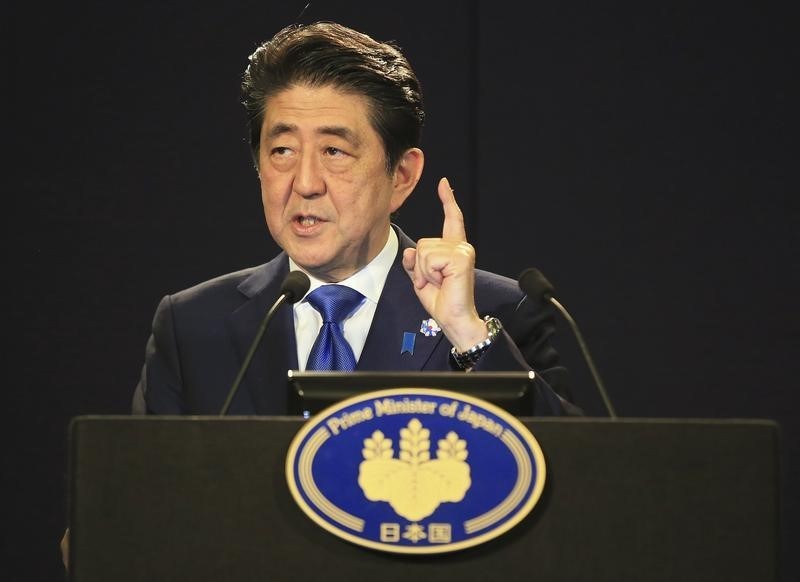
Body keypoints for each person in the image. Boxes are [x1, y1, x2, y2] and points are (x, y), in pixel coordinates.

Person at [130, 21, 577, 417]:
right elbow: (139, 498)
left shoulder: (497, 311)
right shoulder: (192, 326)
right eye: (282, 150)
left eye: (334, 152)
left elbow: (578, 484)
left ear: (401, 175)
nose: (305, 183)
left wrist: (468, 335)